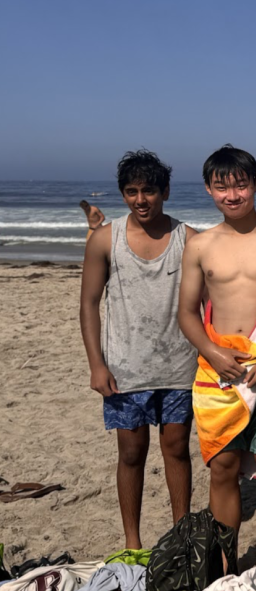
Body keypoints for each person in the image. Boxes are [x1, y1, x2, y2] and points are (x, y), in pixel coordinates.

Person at [178, 146, 256, 570]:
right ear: (209, 190)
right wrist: (213, 353)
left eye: (240, 185)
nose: (232, 195)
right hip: (219, 371)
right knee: (223, 468)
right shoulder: (200, 244)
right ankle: (224, 562)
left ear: (254, 184)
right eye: (222, 187)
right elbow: (186, 312)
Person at [79, 150, 196, 551]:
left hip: (181, 365)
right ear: (123, 194)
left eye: (148, 190)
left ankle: (181, 538)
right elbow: (89, 304)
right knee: (131, 453)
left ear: (165, 191)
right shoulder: (104, 240)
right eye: (131, 191)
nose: (140, 199)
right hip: (124, 367)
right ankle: (133, 542)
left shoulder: (190, 239)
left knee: (177, 449)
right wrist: (97, 363)